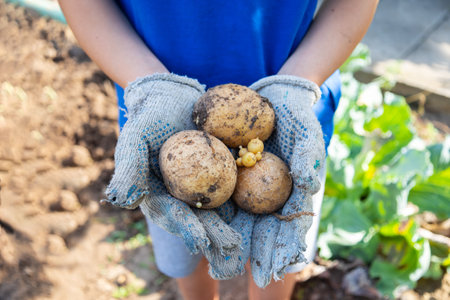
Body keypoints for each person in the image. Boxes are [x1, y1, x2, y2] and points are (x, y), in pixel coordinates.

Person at [58, 1, 379, 299]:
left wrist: (300, 80)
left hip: (293, 123)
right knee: (188, 241)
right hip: (159, 117)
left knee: (278, 254)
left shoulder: (287, 133)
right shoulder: (164, 131)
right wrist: (148, 83)